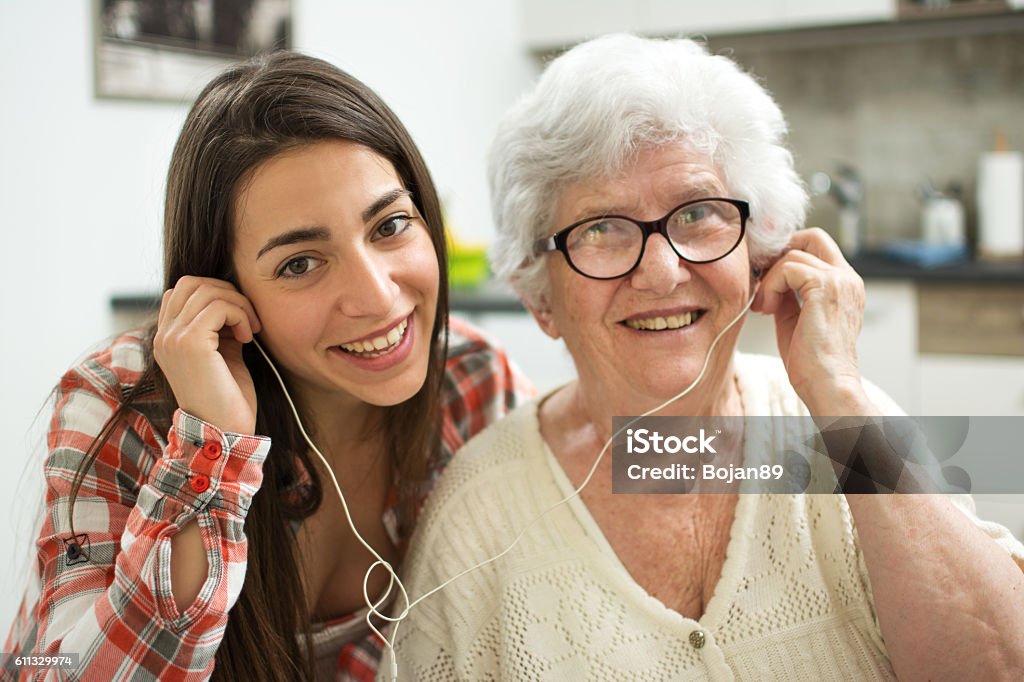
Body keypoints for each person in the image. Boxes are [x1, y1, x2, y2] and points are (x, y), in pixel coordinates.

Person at [388, 34, 1024, 680]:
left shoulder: (848, 430)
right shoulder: (476, 523)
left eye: (698, 214)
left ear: (760, 256)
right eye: (601, 229)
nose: (663, 272)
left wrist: (843, 399)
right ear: (539, 296)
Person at [2, 51, 532, 681]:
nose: (378, 297)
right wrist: (212, 450)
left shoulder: (471, 380)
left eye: (390, 225)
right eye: (300, 263)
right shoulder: (118, 404)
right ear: (224, 291)